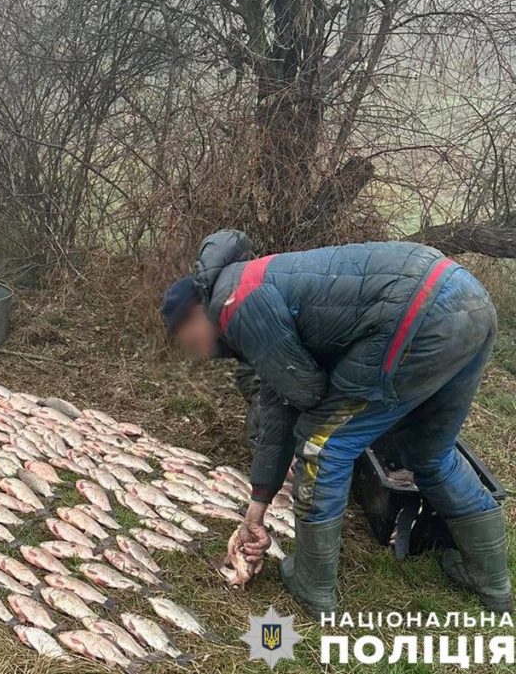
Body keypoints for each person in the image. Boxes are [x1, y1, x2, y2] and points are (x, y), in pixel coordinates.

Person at [161, 229, 512, 616]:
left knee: (322, 446)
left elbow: (305, 392)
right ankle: (491, 582)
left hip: (418, 313)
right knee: (429, 451)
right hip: (468, 300)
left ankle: (312, 585)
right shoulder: (245, 283)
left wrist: (306, 408)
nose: (192, 348)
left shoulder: (234, 303)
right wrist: (256, 510)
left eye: (186, 335)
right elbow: (280, 399)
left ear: (196, 313)